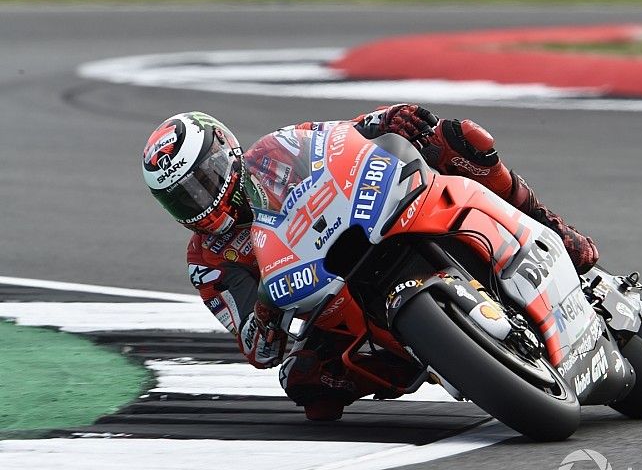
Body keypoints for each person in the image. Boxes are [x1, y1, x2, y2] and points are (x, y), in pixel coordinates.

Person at [141, 106, 598, 420]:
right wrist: (265, 310)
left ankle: (554, 229)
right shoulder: (208, 261)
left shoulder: (273, 154)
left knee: (457, 140)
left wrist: (390, 118)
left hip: (367, 222)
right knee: (305, 385)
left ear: (228, 153)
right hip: (328, 300)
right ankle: (425, 355)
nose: (199, 201)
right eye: (182, 197)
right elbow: (258, 350)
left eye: (203, 180)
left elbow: (344, 135)